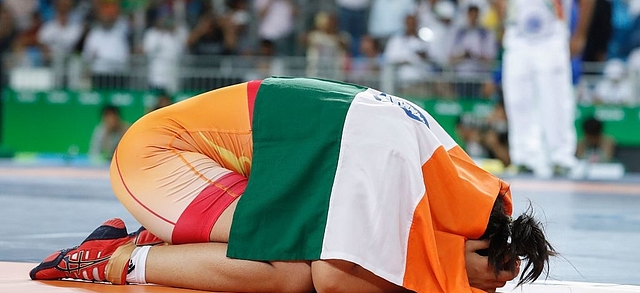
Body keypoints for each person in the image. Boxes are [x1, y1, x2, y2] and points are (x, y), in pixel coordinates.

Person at [31, 78, 555, 293]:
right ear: (467, 239)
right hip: (159, 159)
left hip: (198, 164)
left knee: (300, 248)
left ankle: (153, 238)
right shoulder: (399, 171)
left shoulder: (432, 163)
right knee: (287, 271)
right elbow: (328, 277)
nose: (481, 290)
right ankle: (110, 260)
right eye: (486, 280)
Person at [488, 0, 596, 177]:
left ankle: (561, 156)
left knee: (555, 97)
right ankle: (525, 157)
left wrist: (579, 36)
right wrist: (503, 22)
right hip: (518, 37)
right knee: (518, 97)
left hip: (552, 38)